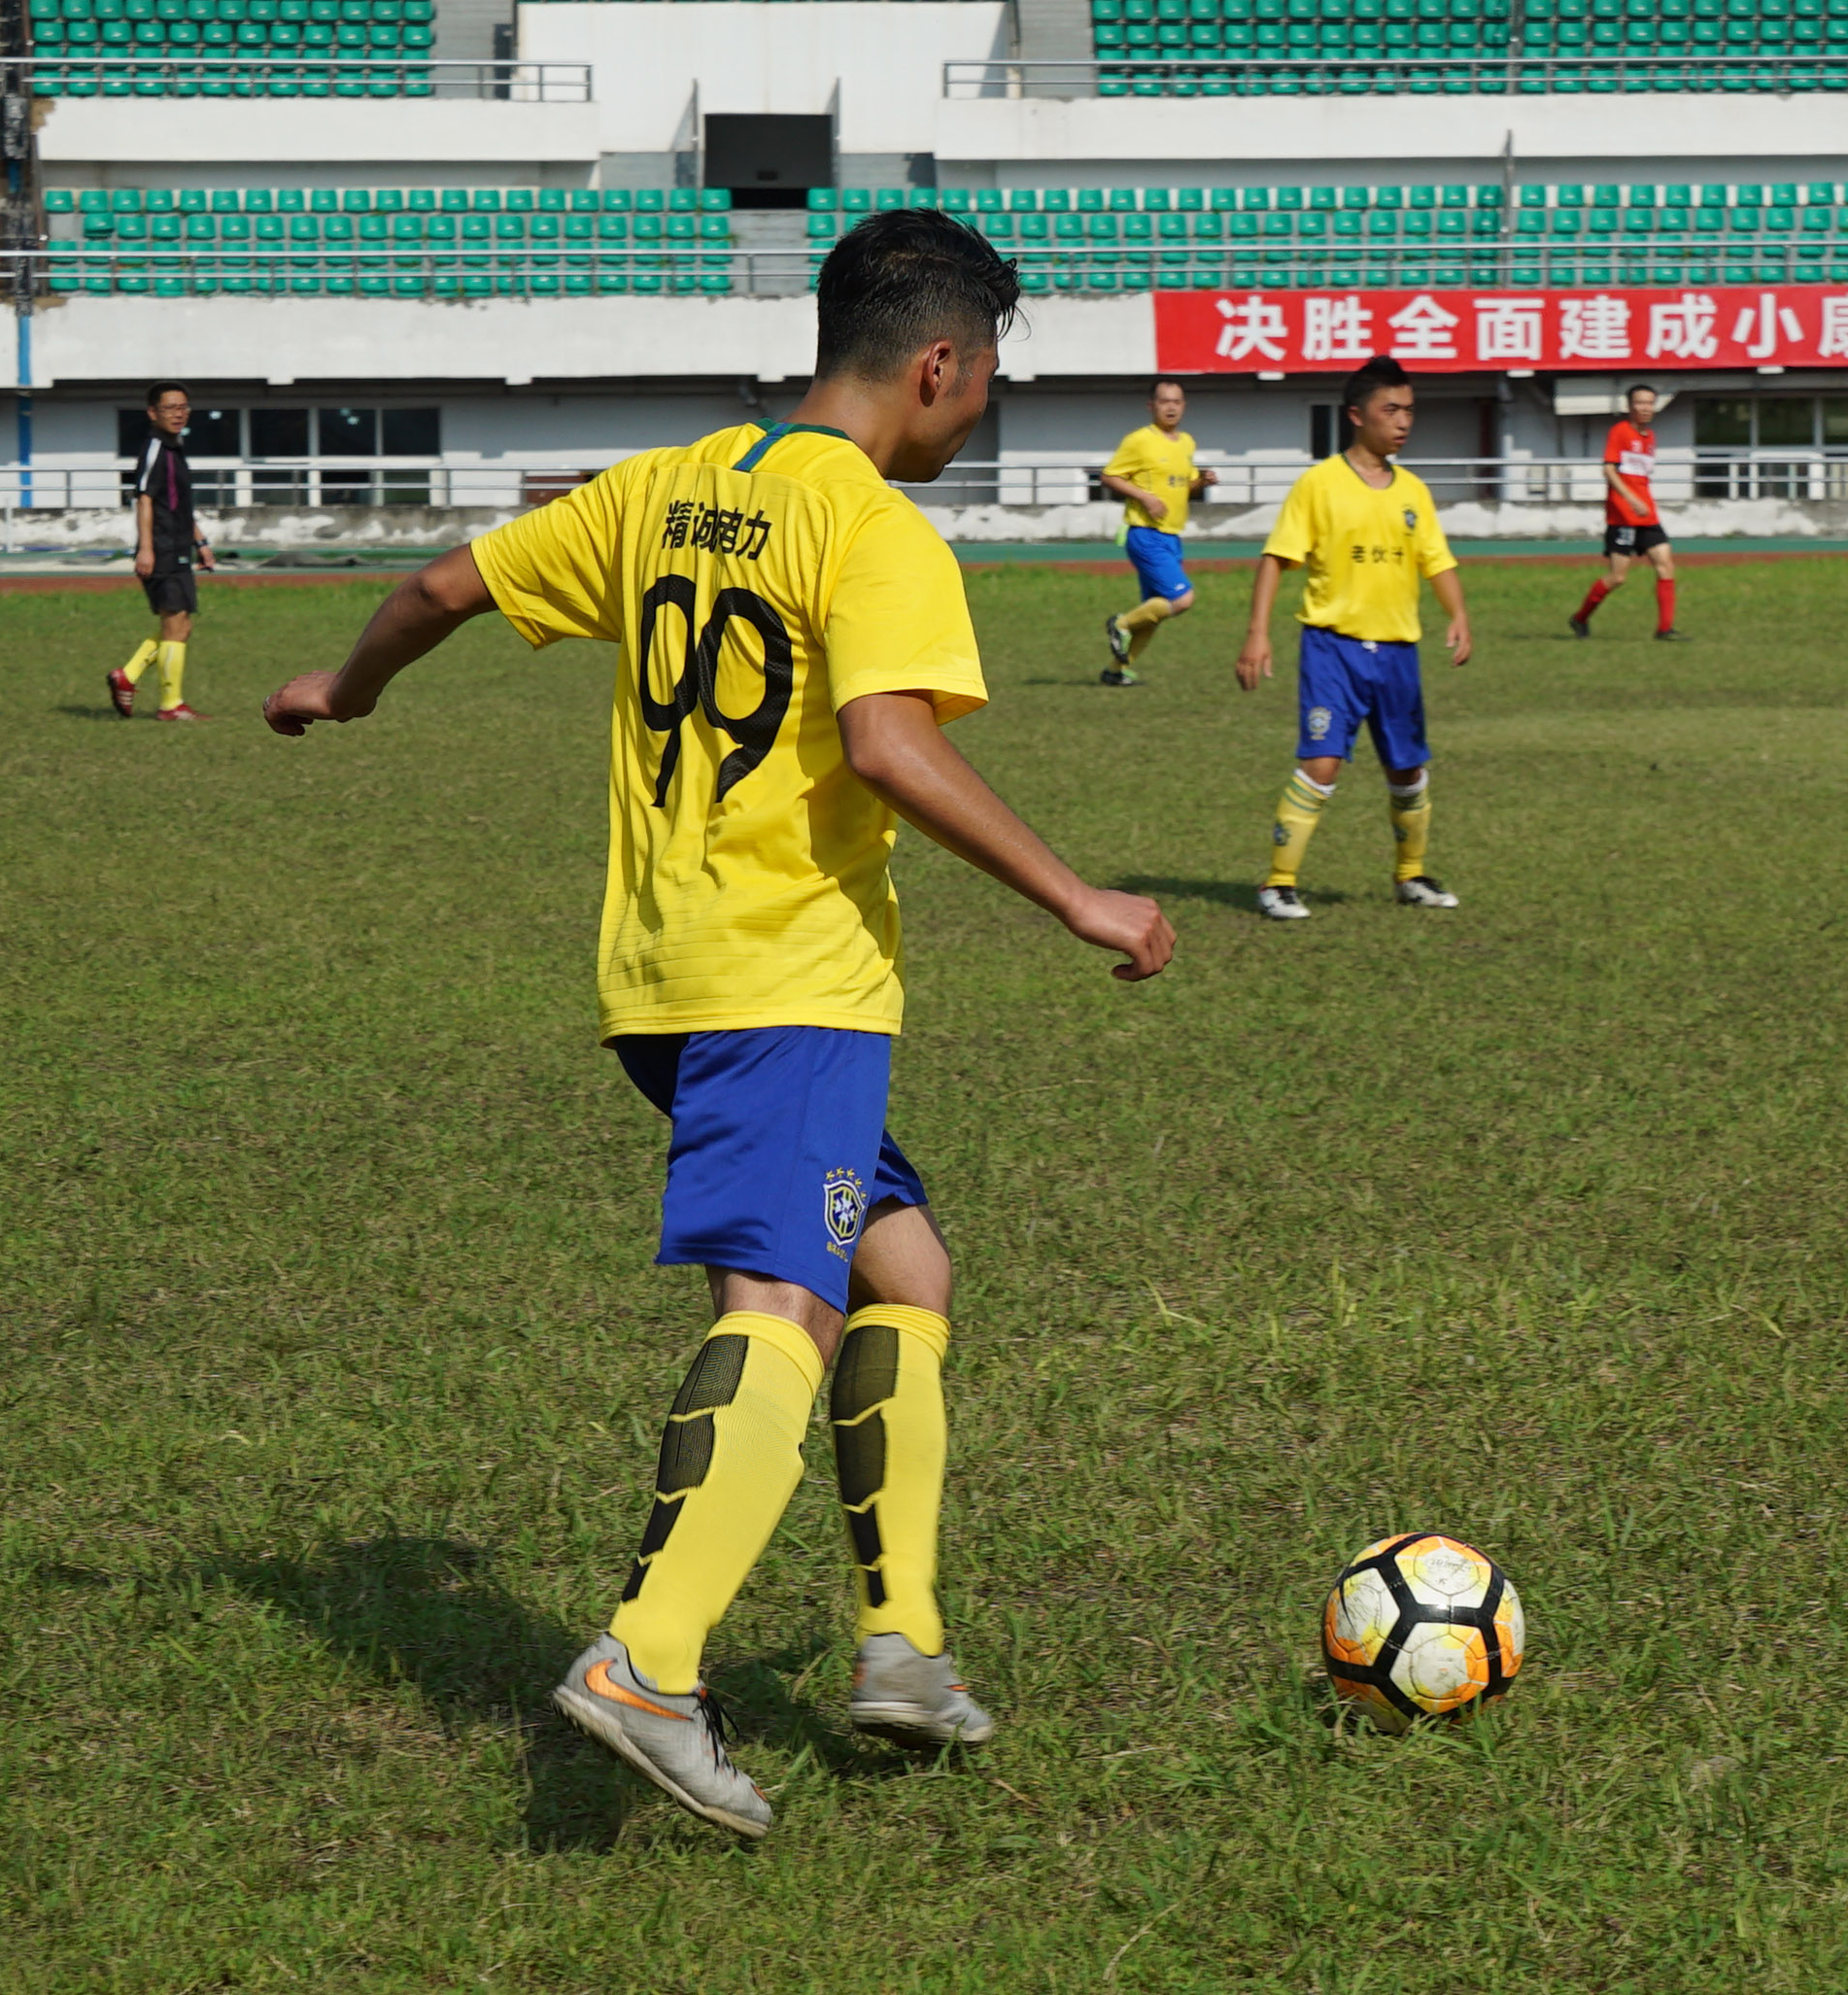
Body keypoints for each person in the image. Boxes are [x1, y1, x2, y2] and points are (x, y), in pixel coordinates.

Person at [260, 209, 1178, 1840]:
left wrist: (351, 687)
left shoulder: (665, 485)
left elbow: (440, 583)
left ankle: (901, 1647)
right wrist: (1077, 894)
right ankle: (650, 1661)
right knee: (783, 1301)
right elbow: (887, 742)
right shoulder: (871, 525)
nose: (982, 409)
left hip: (663, 977)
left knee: (906, 1268)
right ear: (939, 363)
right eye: (988, 378)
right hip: (786, 980)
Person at [1233, 353, 1472, 921]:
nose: (1403, 421)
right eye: (1391, 410)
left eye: (1409, 410)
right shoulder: (1319, 484)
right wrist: (1257, 634)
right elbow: (1276, 559)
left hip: (1397, 653)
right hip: (1332, 649)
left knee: (1407, 770)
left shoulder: (1413, 491)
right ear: (1357, 416)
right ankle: (1278, 883)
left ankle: (1411, 876)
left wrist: (1458, 614)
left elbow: (1437, 561)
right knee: (1323, 763)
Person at [1097, 376, 1213, 685]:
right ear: (1151, 406)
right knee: (1183, 599)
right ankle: (1120, 624)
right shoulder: (1139, 440)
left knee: (1154, 613)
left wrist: (1202, 482)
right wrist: (1145, 497)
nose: (1171, 407)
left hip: (1171, 535)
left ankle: (1115, 671)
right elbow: (1109, 476)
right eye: (1164, 401)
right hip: (1144, 533)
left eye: (1177, 401)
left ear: (1184, 406)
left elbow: (1184, 485)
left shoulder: (1186, 443)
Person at [107, 383, 212, 721]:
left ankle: (127, 676)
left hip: (178, 548)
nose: (178, 414)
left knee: (181, 626)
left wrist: (200, 542)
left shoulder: (174, 448)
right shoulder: (155, 449)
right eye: (170, 408)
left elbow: (179, 505)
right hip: (163, 549)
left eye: (183, 407)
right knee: (175, 625)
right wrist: (146, 549)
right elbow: (145, 499)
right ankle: (170, 705)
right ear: (152, 413)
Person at [1566, 382, 1681, 639]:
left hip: (1647, 516)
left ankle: (1664, 629)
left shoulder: (1650, 437)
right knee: (1618, 577)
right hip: (1622, 516)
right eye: (1640, 402)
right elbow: (1608, 469)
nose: (1645, 407)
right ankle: (1580, 618)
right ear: (1630, 406)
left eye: (1650, 403)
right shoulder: (1620, 431)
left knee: (1665, 565)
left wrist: (1642, 502)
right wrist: (1630, 499)